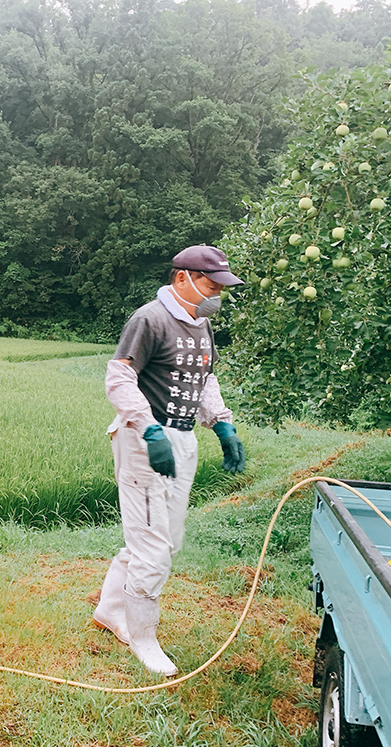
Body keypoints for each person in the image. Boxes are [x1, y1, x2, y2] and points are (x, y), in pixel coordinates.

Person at [93, 245, 246, 676]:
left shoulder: (201, 324)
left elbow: (204, 376)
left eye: (220, 288)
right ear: (182, 278)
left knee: (163, 539)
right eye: (211, 286)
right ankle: (143, 637)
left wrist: (221, 423)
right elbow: (119, 377)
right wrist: (147, 427)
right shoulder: (149, 319)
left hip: (181, 439)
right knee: (153, 547)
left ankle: (109, 610)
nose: (216, 295)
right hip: (146, 440)